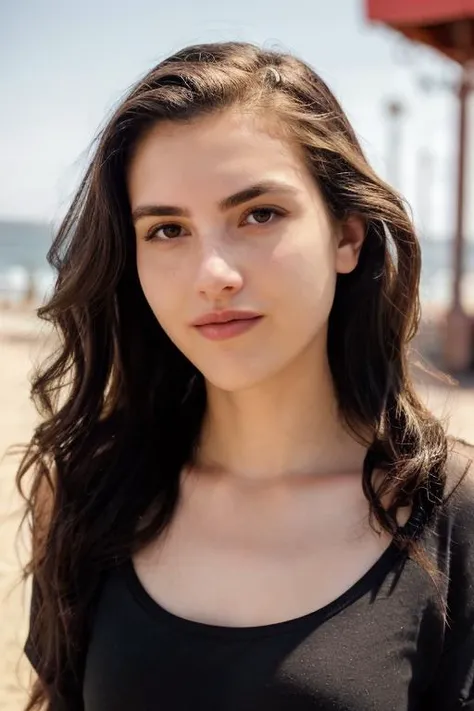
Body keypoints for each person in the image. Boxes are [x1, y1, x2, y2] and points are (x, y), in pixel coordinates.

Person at [18, 41, 474, 711]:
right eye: (168, 229)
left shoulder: (453, 514)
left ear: (347, 236)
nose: (213, 275)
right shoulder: (90, 490)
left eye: (259, 214)